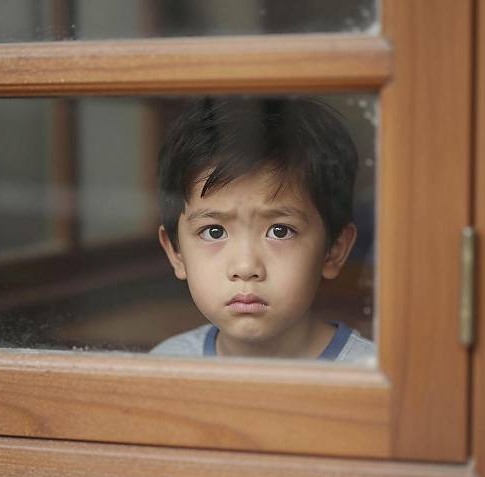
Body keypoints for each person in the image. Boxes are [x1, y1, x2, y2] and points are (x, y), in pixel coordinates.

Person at [150, 97, 375, 364]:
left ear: (335, 249)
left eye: (280, 231)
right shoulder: (165, 366)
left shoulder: (370, 375)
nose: (245, 267)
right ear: (176, 252)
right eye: (213, 232)